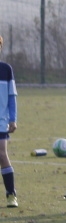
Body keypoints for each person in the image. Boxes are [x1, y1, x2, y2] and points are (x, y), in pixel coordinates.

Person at [0, 35, 18, 208]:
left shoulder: (6, 69)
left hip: (1, 121)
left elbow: (12, 97)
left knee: (2, 154)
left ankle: (11, 194)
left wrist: (13, 119)